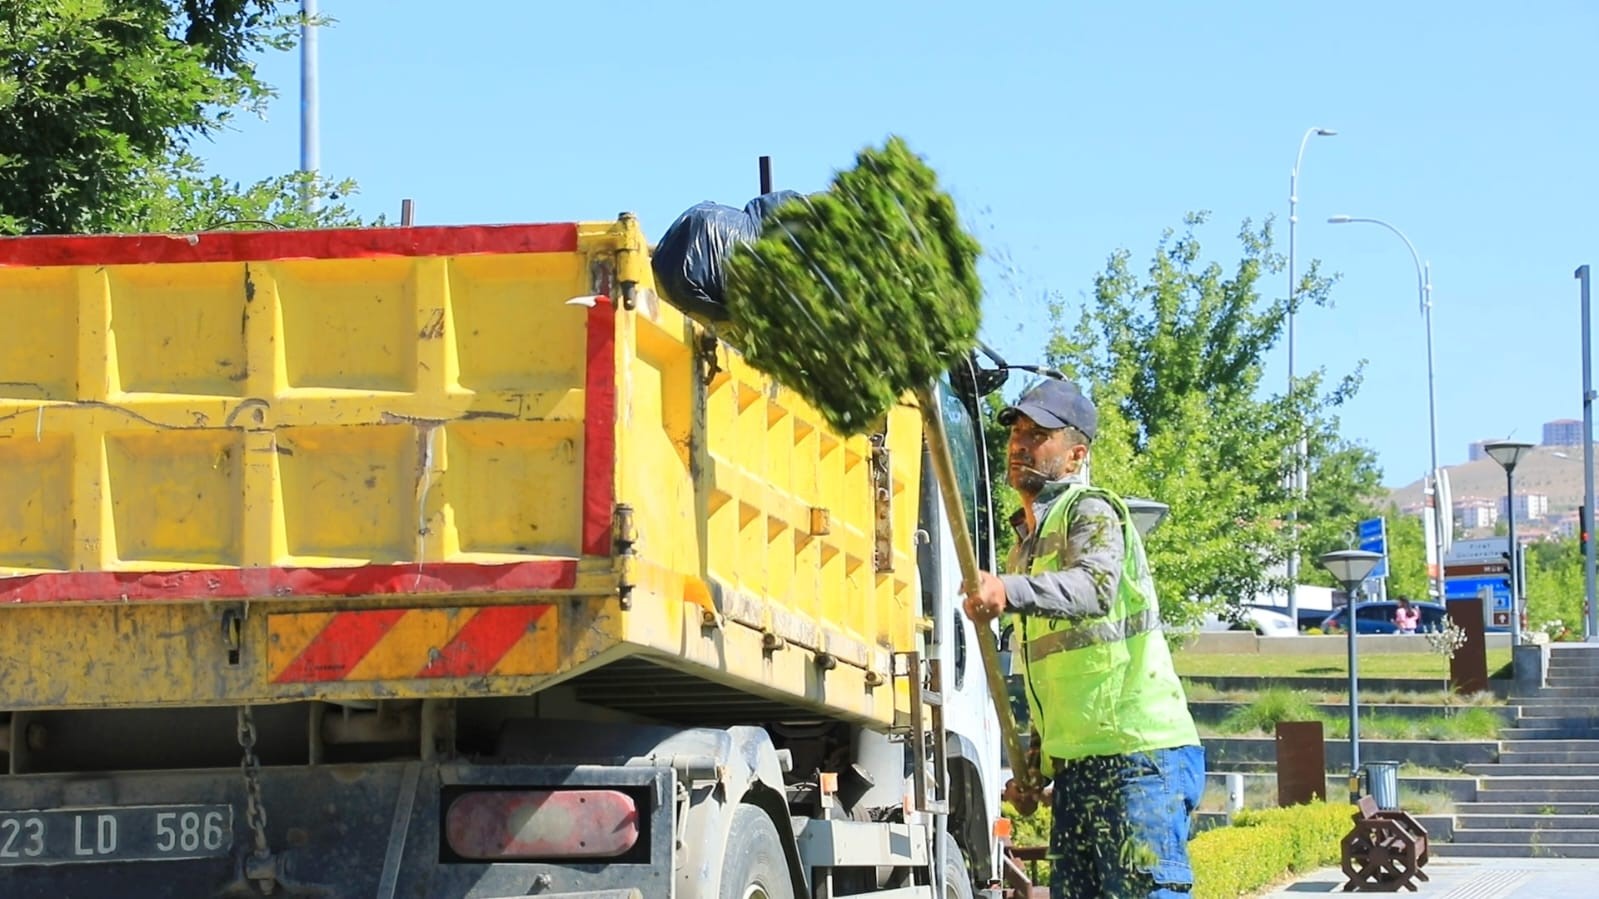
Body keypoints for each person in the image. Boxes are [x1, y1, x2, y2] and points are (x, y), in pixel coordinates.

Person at [963, 378, 1204, 899]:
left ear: (1074, 456)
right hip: (1081, 769)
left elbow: (1094, 588)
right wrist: (1037, 766)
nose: (1020, 443)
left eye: (1038, 434)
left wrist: (1007, 589)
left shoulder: (1091, 509)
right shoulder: (1025, 547)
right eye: (1017, 432)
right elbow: (1054, 676)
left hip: (1139, 759)